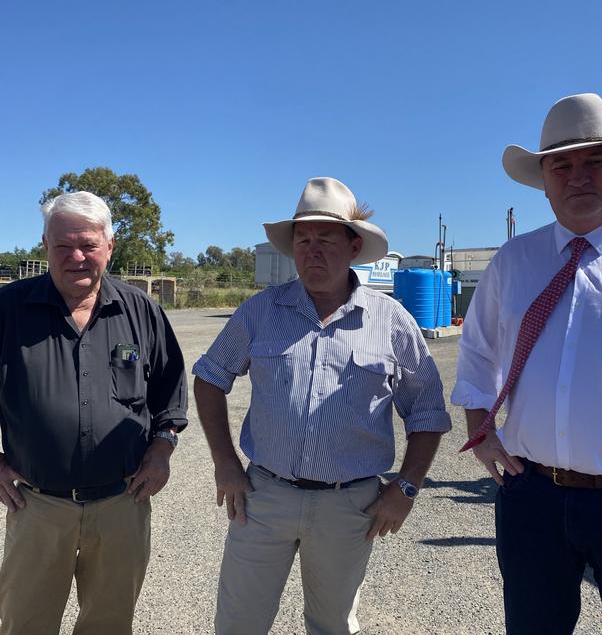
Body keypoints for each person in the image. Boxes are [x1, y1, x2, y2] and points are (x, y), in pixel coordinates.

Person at [193, 176, 451, 635]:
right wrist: (225, 463)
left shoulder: (390, 321)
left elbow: (427, 411)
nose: (312, 251)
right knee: (238, 623)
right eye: (303, 239)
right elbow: (210, 378)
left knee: (333, 625)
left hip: (348, 504)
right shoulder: (260, 311)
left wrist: (406, 488)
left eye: (325, 239)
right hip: (263, 497)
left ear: (354, 247)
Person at [452, 93, 602, 634]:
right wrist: (480, 430)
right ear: (544, 180)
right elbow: (478, 353)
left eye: (595, 161)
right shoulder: (514, 261)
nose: (577, 176)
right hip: (532, 497)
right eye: (561, 165)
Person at [0, 192, 188, 634]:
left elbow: (171, 393)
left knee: (108, 623)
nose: (76, 257)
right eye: (63, 246)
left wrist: (162, 450)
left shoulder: (141, 311)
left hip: (122, 505)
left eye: (87, 244)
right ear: (44, 246)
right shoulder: (8, 309)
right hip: (37, 505)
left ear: (110, 245)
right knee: (24, 623)